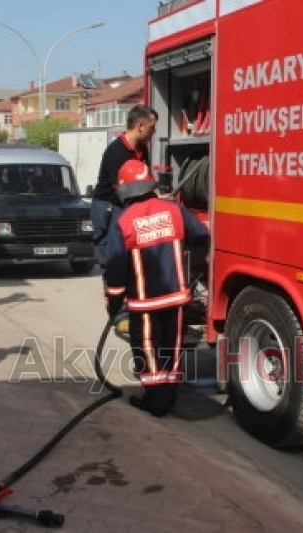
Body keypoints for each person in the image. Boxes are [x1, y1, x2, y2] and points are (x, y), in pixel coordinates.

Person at [103, 160, 210, 417]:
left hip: (145, 303)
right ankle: (169, 395)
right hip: (176, 298)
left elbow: (115, 268)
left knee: (148, 349)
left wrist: (113, 302)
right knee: (172, 347)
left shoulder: (123, 221)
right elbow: (199, 234)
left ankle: (156, 401)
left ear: (124, 190)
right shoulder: (173, 209)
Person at [90, 105, 158, 269]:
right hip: (109, 206)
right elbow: (124, 190)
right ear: (139, 126)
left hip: (125, 205)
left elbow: (143, 180)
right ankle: (113, 291)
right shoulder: (116, 151)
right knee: (112, 256)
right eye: (152, 127)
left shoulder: (142, 149)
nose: (154, 132)